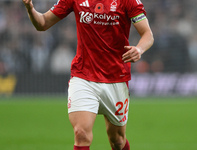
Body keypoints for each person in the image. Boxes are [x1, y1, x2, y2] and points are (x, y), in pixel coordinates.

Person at [22, 0, 154, 149]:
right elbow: (43, 23)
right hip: (83, 76)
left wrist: (139, 49)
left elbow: (147, 34)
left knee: (117, 140)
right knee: (81, 134)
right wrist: (30, 8)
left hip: (116, 78)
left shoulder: (128, 1)